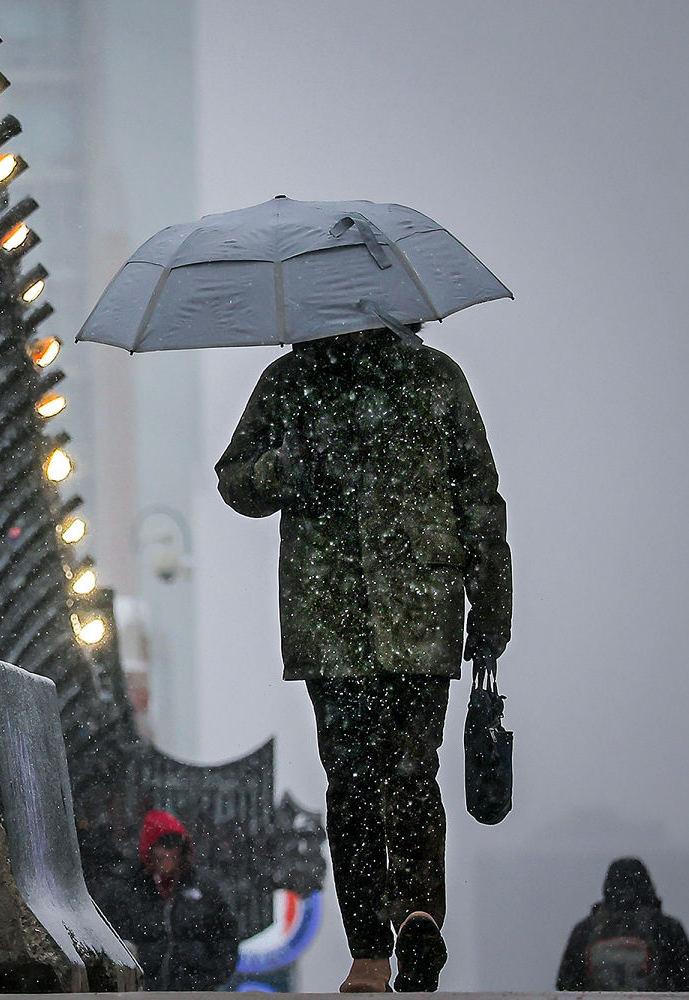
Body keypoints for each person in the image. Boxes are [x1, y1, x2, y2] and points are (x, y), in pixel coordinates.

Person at [216, 326, 512, 992]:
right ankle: (415, 911)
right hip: (420, 613)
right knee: (411, 774)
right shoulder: (437, 377)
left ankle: (370, 954)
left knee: (350, 785)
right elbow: (481, 503)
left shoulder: (293, 381)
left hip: (332, 619)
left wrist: (286, 468)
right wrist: (490, 613)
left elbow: (237, 481)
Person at [100, 809, 239, 991]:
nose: (169, 853)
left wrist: (207, 974)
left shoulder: (204, 890)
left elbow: (226, 936)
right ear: (149, 849)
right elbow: (108, 941)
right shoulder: (125, 890)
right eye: (163, 844)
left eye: (175, 845)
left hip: (194, 994)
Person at [556, 857, 689, 992]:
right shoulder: (667, 928)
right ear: (647, 885)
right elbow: (684, 981)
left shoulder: (584, 930)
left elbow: (565, 986)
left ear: (607, 886)